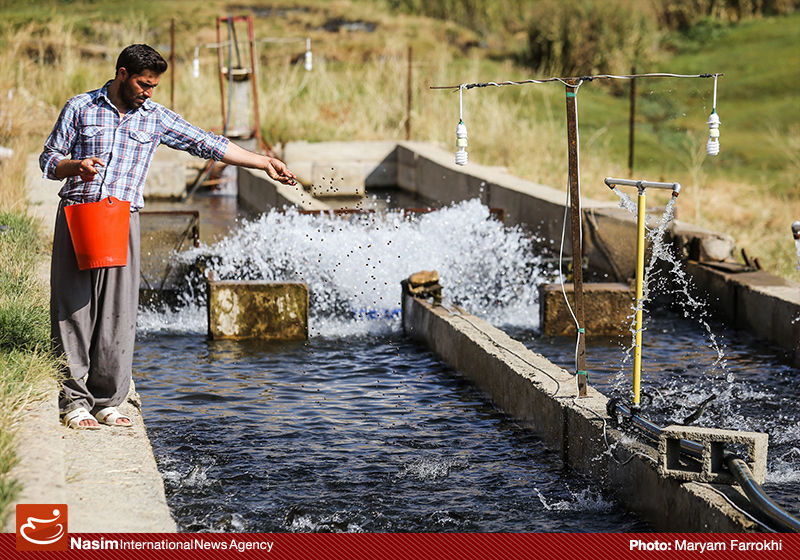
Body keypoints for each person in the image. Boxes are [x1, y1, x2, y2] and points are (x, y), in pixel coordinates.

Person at [40, 44, 297, 429]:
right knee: (73, 309)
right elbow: (47, 158)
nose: (149, 92)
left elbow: (207, 142)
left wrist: (263, 163)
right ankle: (74, 401)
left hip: (121, 220)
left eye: (154, 86)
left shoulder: (155, 118)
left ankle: (109, 400)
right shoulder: (80, 107)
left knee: (117, 313)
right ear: (122, 74)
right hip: (78, 215)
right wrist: (73, 166)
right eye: (144, 84)